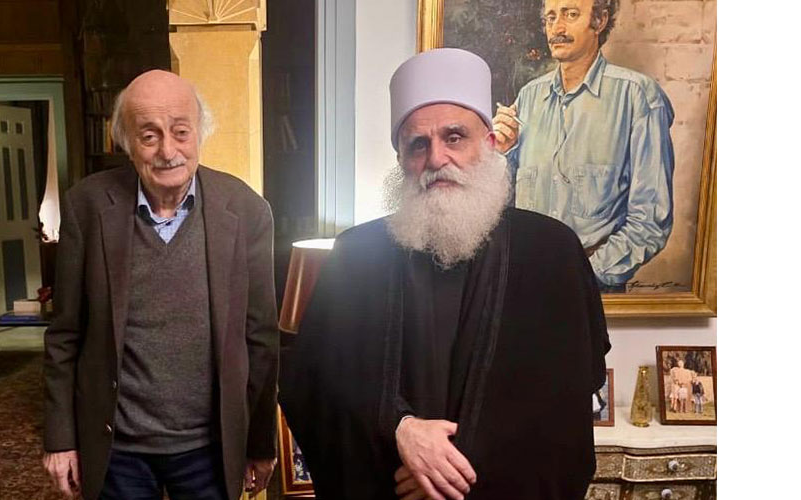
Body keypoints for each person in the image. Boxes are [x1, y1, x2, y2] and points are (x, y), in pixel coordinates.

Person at [279, 48, 611, 500]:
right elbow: (314, 385)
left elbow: (565, 403)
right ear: (401, 158)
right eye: (418, 144)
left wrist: (450, 470)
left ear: (489, 144)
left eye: (454, 137)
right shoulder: (356, 255)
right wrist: (398, 429)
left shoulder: (552, 253)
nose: (437, 158)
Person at [42, 70, 280, 500]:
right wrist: (60, 438)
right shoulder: (86, 206)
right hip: (118, 449)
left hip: (210, 448)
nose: (168, 151)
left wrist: (260, 443)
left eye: (181, 132)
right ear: (126, 142)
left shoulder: (247, 211)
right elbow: (65, 335)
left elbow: (261, 338)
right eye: (149, 136)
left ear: (200, 133)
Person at [492, 0, 676, 293]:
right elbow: (499, 207)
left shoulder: (638, 96)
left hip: (592, 295)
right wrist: (500, 155)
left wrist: (580, 275)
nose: (557, 28)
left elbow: (650, 223)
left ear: (600, 20)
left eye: (571, 14)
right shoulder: (528, 97)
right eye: (550, 17)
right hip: (523, 288)